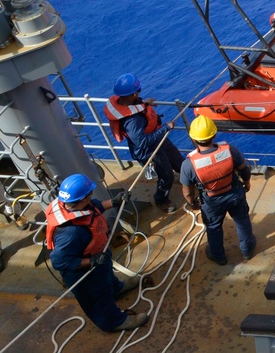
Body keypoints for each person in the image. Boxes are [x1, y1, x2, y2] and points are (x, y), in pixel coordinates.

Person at [45, 174, 148, 332]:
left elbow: (93, 207)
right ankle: (114, 321)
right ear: (84, 199)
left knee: (107, 277)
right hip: (83, 271)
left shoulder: (72, 204)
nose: (92, 196)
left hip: (98, 257)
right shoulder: (71, 233)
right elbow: (59, 262)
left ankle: (116, 288)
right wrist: (91, 262)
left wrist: (114, 202)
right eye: (90, 194)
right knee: (98, 297)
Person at [180, 115, 256, 265]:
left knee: (213, 228)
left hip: (211, 201)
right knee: (242, 221)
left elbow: (188, 191)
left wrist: (192, 203)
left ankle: (218, 256)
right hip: (234, 194)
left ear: (194, 138)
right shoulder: (231, 151)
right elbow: (244, 170)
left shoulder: (188, 165)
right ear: (214, 135)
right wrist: (246, 183)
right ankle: (247, 250)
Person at [103, 73, 184, 212]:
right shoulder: (133, 121)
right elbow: (142, 143)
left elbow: (133, 107)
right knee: (166, 176)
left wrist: (145, 103)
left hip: (157, 138)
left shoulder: (127, 102)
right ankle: (161, 199)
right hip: (149, 150)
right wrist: (166, 128)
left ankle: (189, 178)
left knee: (178, 161)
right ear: (134, 93)